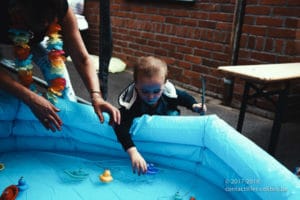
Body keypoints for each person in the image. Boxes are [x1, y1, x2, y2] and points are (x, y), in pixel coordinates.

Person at [0, 0, 120, 132]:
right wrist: (30, 97)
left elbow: (82, 58)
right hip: (7, 35)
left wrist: (96, 96)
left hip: (36, 42)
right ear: (20, 7)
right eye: (40, 20)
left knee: (62, 83)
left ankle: (69, 130)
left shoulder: (61, 7)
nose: (45, 24)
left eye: (49, 21)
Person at [114, 56, 207, 175]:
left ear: (165, 84)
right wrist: (133, 152)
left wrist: (194, 105)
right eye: (145, 91)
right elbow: (119, 125)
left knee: (173, 114)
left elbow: (183, 97)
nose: (151, 96)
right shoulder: (132, 102)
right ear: (136, 86)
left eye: (157, 91)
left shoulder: (167, 92)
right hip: (143, 127)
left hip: (165, 120)